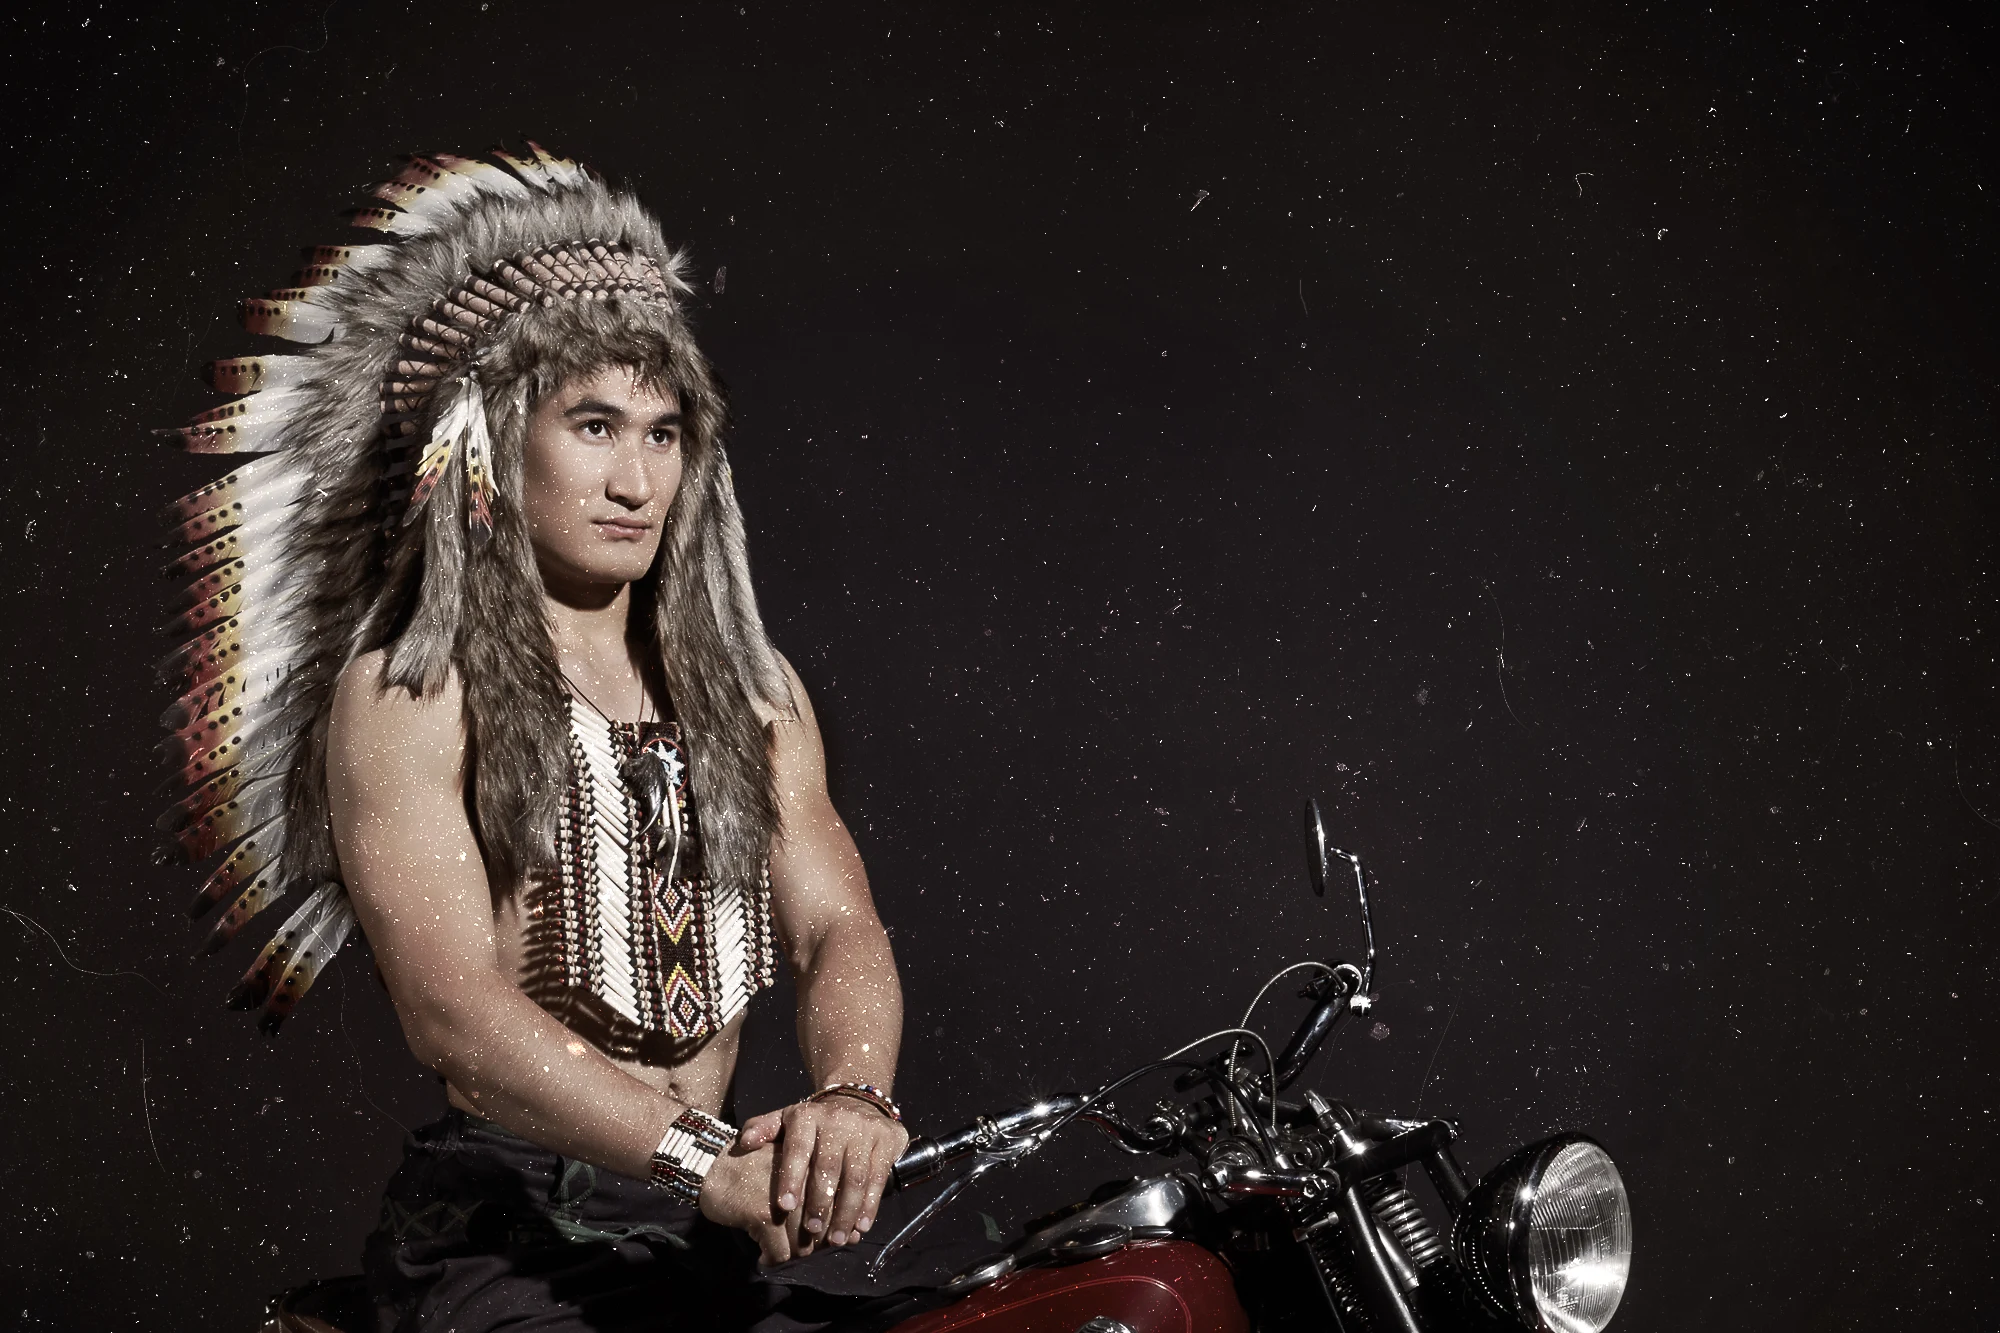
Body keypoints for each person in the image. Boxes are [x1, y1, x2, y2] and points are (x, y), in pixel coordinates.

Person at [156, 144, 906, 1331]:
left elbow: (834, 925)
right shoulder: (410, 691)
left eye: (663, 433)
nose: (636, 480)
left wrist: (854, 1094)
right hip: (505, 1234)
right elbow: (453, 1015)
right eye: (593, 425)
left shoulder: (757, 694)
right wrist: (700, 1159)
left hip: (695, 1232)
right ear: (498, 439)